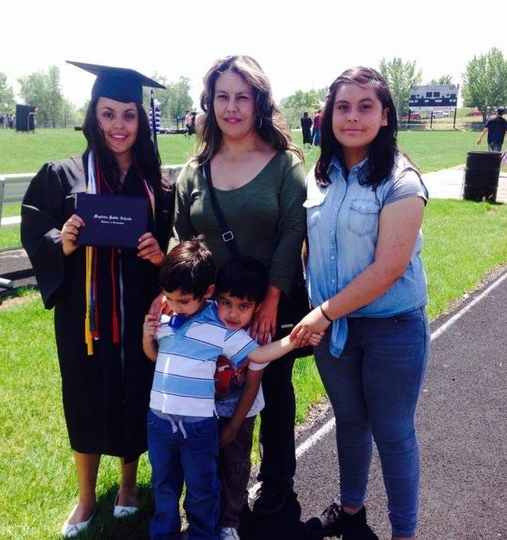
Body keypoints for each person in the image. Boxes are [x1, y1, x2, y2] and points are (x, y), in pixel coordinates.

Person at [20, 61, 172, 538]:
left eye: (128, 115)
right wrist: (60, 243)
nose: (118, 126)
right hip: (82, 317)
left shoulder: (157, 183)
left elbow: (175, 244)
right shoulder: (62, 174)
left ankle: (128, 486)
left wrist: (159, 255)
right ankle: (87, 497)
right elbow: (33, 229)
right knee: (83, 396)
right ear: (93, 115)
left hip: (137, 313)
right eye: (108, 114)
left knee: (134, 390)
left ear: (140, 121)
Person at [167, 54, 309, 521]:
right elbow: (181, 236)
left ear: (258, 103)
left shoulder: (284, 164)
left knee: (274, 393)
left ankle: (275, 482)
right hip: (210, 311)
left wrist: (271, 299)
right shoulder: (194, 171)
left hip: (270, 303)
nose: (231, 107)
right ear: (210, 103)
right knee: (211, 393)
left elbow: (292, 231)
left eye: (241, 97)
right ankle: (213, 489)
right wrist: (176, 298)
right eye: (222, 97)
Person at [293, 66, 430, 540]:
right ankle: (350, 513)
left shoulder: (402, 180)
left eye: (365, 106)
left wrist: (324, 311)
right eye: (343, 107)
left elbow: (389, 268)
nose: (352, 117)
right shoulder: (321, 174)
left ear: (385, 116)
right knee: (349, 423)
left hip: (391, 328)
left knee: (393, 434)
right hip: (335, 333)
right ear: (328, 114)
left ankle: (404, 533)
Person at [142, 238, 319, 540]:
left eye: (183, 300)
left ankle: (210, 531)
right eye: (170, 298)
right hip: (159, 422)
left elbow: (257, 358)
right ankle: (165, 533)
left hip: (199, 425)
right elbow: (158, 357)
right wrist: (147, 337)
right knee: (164, 484)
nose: (175, 305)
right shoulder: (168, 317)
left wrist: (292, 341)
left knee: (204, 486)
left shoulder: (221, 330)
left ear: (206, 294)